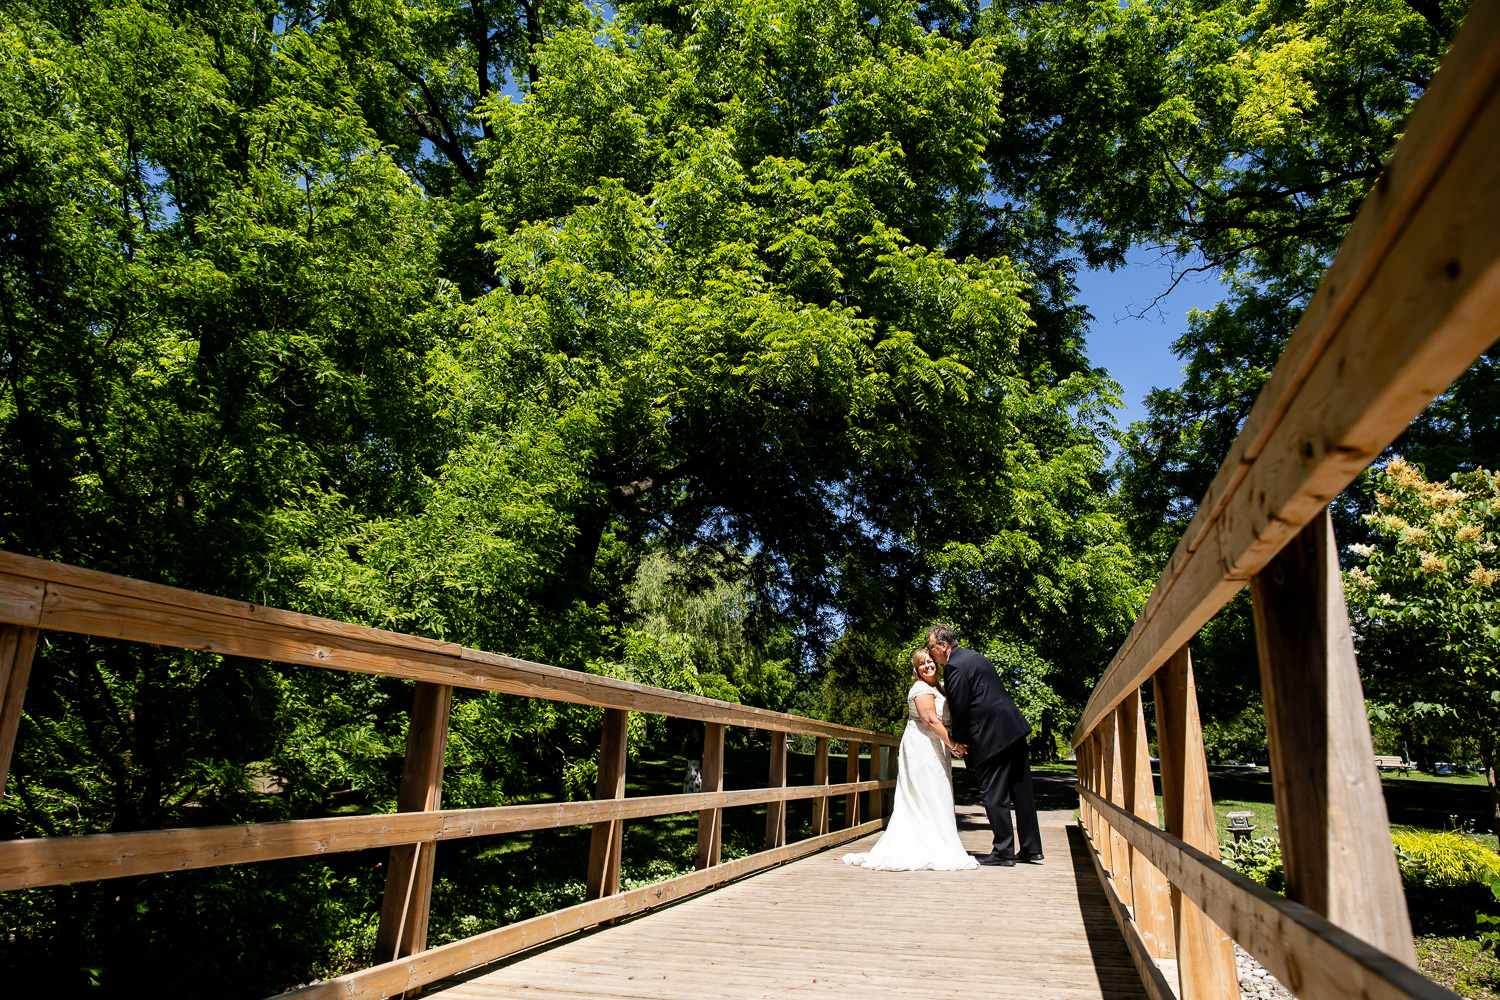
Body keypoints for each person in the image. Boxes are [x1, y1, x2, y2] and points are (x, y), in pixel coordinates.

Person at [842, 648, 979, 872]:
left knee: (938, 791)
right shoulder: (921, 688)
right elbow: (930, 721)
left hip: (937, 747)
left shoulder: (939, 687)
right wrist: (953, 745)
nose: (927, 666)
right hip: (922, 746)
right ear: (916, 670)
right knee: (927, 792)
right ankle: (927, 846)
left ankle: (939, 842)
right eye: (921, 664)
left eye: (930, 661)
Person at [927, 624, 1043, 866]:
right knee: (1022, 792)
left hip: (991, 737)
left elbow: (960, 708)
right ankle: (1031, 848)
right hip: (1013, 728)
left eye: (932, 648)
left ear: (944, 646)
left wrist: (959, 742)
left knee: (994, 793)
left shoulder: (955, 666)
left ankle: (1003, 851)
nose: (931, 654)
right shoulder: (975, 657)